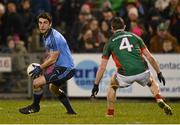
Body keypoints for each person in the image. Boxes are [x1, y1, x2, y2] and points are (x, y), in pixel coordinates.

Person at [91, 17, 173, 117]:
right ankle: (159, 98)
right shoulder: (135, 37)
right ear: (124, 27)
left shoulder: (109, 42)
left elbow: (102, 67)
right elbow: (150, 57)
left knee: (112, 86)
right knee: (151, 82)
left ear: (112, 28)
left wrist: (96, 84)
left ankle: (110, 113)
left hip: (125, 74)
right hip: (142, 71)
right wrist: (159, 72)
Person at [19, 12, 76, 115]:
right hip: (61, 67)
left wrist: (40, 68)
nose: (42, 25)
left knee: (36, 83)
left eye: (45, 23)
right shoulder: (46, 36)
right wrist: (43, 67)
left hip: (66, 69)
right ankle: (71, 112)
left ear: (50, 24)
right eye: (40, 23)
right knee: (53, 88)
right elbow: (51, 56)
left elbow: (54, 58)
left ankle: (35, 107)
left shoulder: (54, 37)